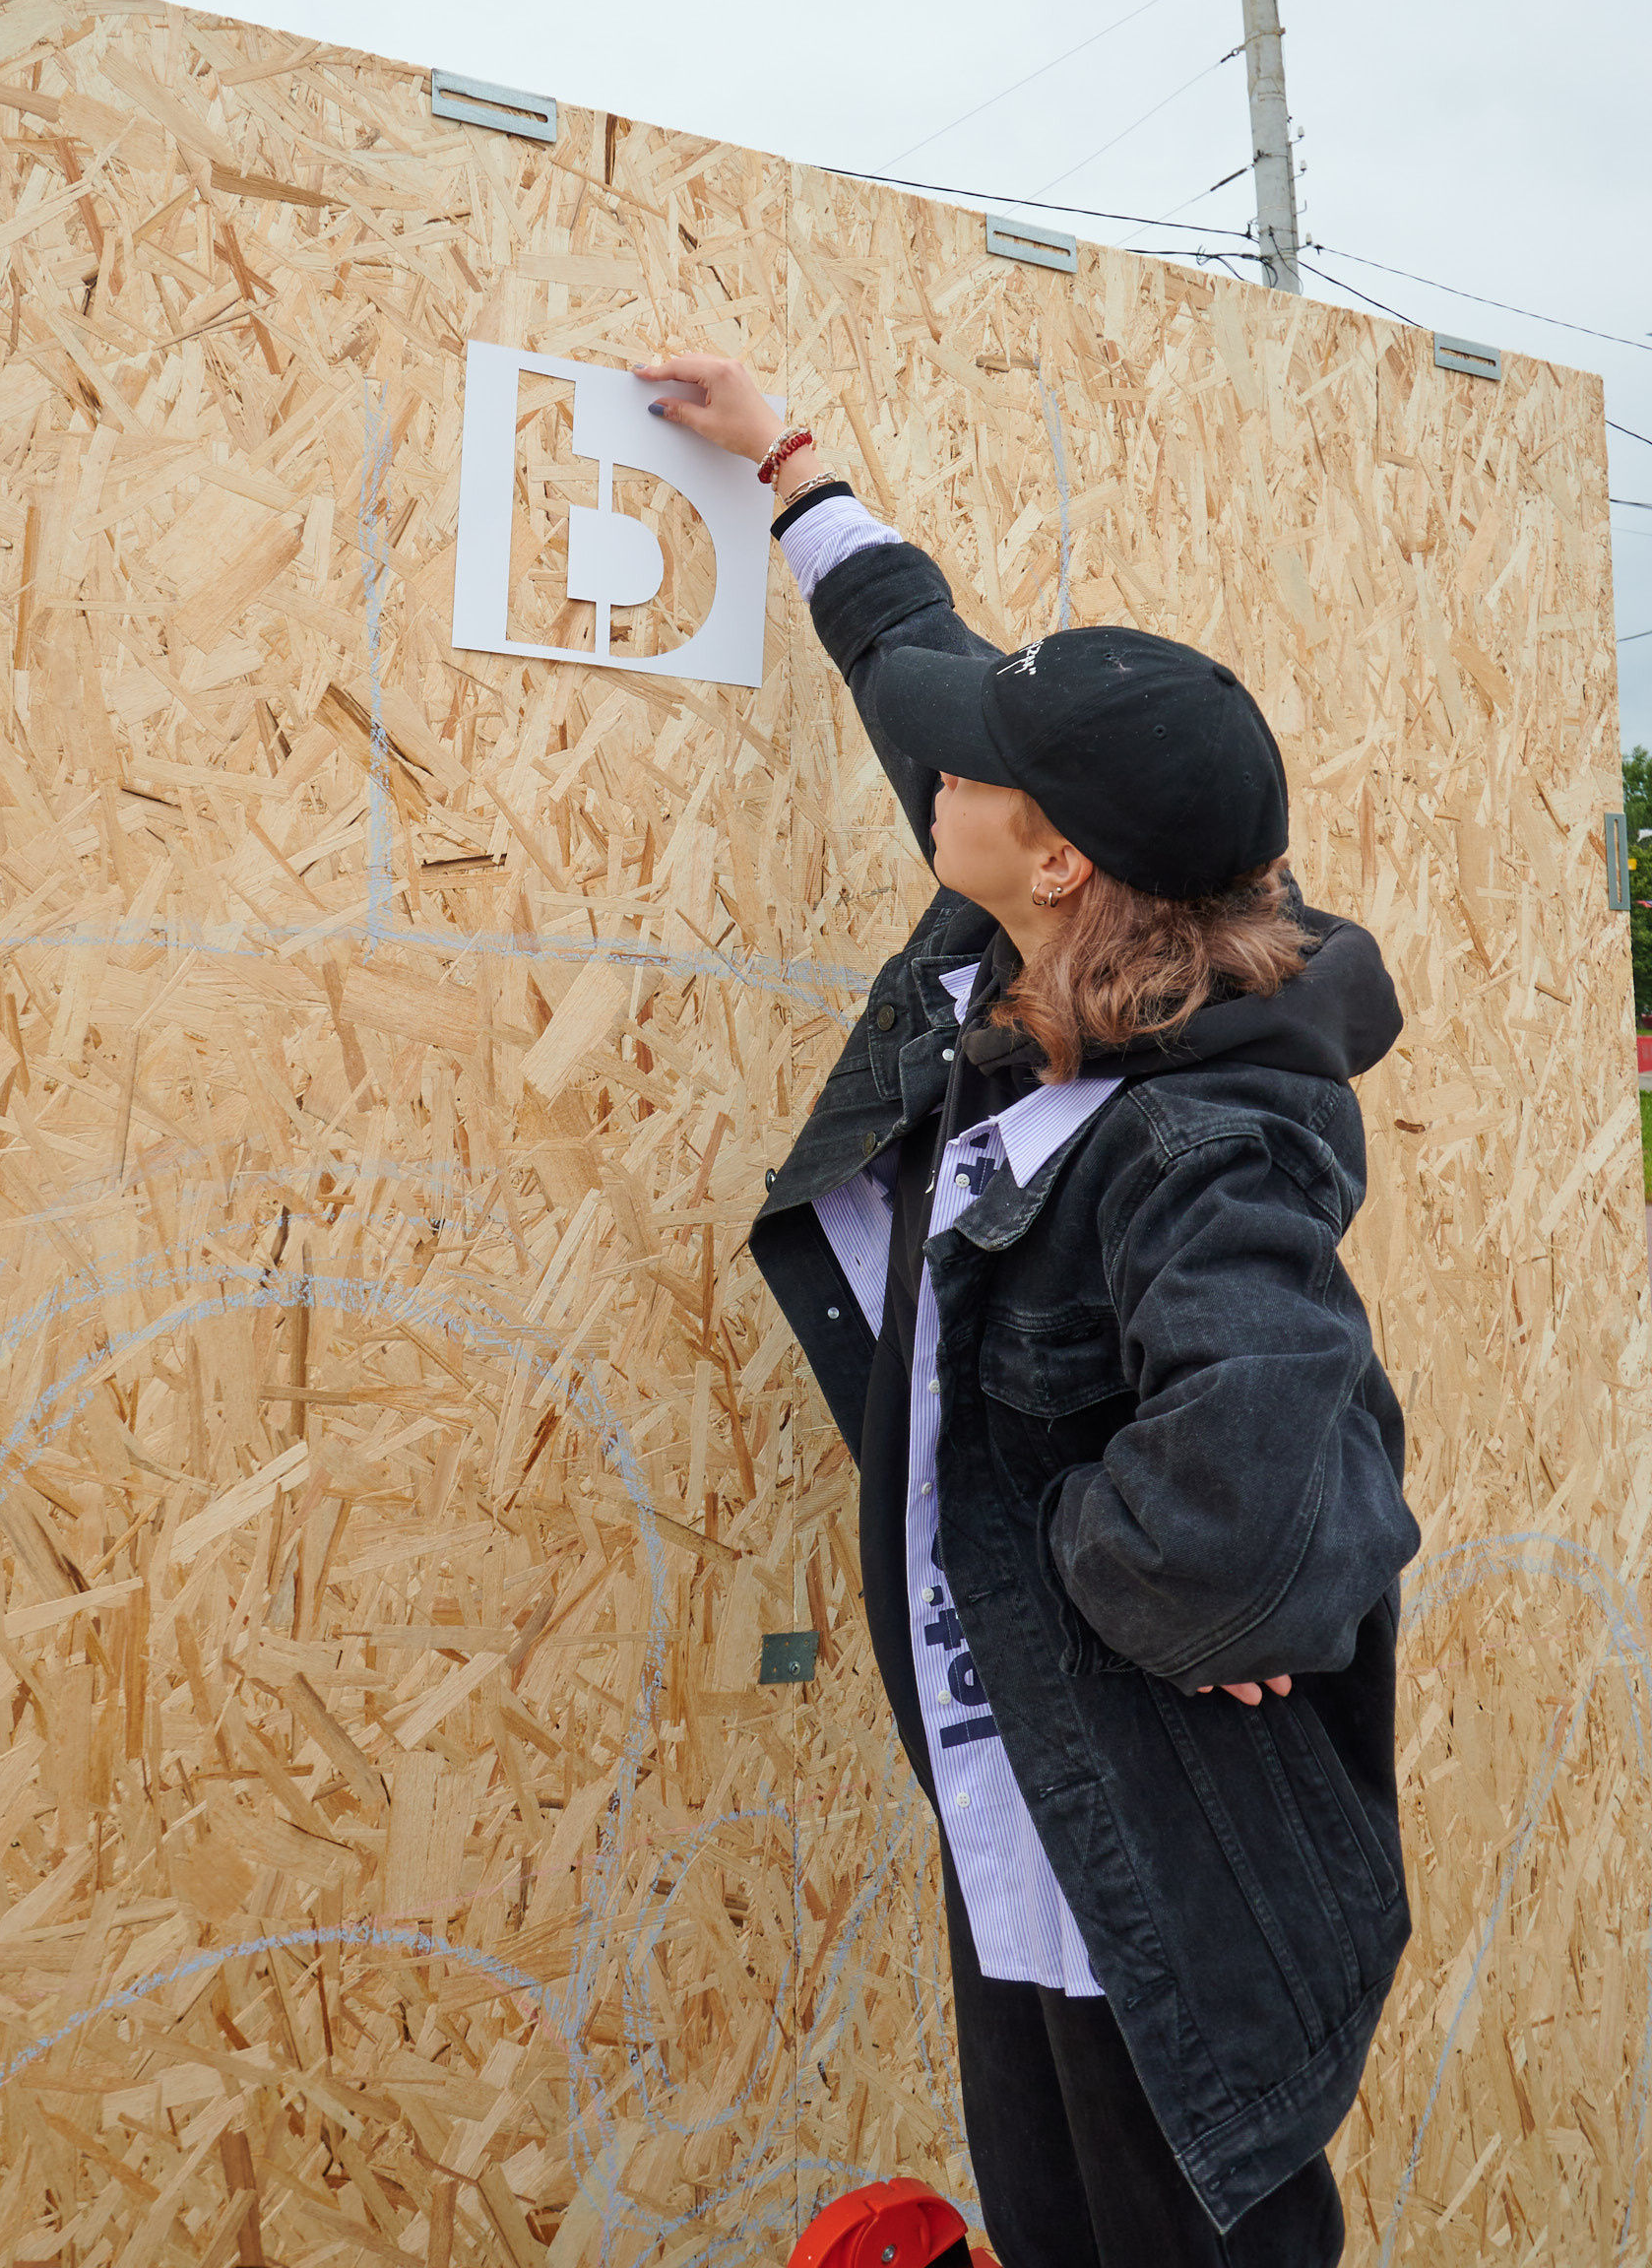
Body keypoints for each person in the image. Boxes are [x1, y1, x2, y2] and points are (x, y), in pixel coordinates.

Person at [636, 354, 1421, 2268]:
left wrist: (1140, 1576)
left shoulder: (1205, 1140)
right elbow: (916, 661)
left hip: (1173, 1874)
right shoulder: (1026, 919)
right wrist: (790, 463)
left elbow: (1253, 1504)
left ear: (1058, 853)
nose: (944, 770)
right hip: (1027, 1818)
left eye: (983, 768)